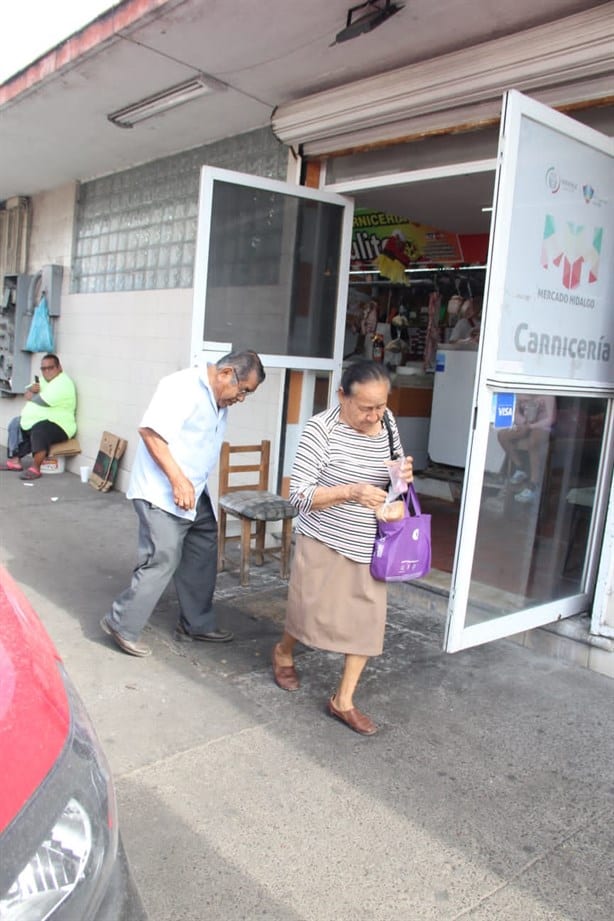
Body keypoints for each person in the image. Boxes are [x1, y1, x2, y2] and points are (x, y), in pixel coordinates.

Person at [271, 360, 413, 736]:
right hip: (325, 536)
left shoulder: (388, 423)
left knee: (368, 621)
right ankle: (284, 650)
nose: (374, 416)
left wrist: (403, 477)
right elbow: (297, 496)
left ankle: (343, 700)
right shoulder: (321, 430)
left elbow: (394, 476)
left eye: (381, 406)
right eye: (366, 407)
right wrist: (350, 491)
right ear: (341, 397)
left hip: (370, 542)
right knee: (308, 613)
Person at [100, 350, 265, 658]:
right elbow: (151, 433)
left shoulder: (219, 398)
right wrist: (178, 480)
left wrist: (189, 484)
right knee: (162, 557)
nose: (241, 399)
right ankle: (121, 623)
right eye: (243, 391)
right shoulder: (182, 386)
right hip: (162, 490)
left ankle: (196, 623)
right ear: (227, 373)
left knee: (203, 548)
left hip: (193, 491)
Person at [1, 354, 77, 481]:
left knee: (40, 429)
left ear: (59, 368)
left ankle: (36, 467)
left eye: (50, 368)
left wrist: (32, 394)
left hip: (60, 425)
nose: (46, 371)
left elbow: (42, 401)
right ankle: (14, 461)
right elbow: (27, 394)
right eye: (43, 369)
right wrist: (31, 389)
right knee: (15, 423)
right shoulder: (43, 379)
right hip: (36, 420)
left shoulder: (63, 383)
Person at [497, 394, 556, 504]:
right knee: (502, 435)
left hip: (542, 427)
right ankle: (520, 467)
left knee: (533, 442)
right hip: (526, 425)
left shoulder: (548, 395)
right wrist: (523, 421)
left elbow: (551, 418)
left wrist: (533, 426)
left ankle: (534, 484)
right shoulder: (521, 393)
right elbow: (514, 413)